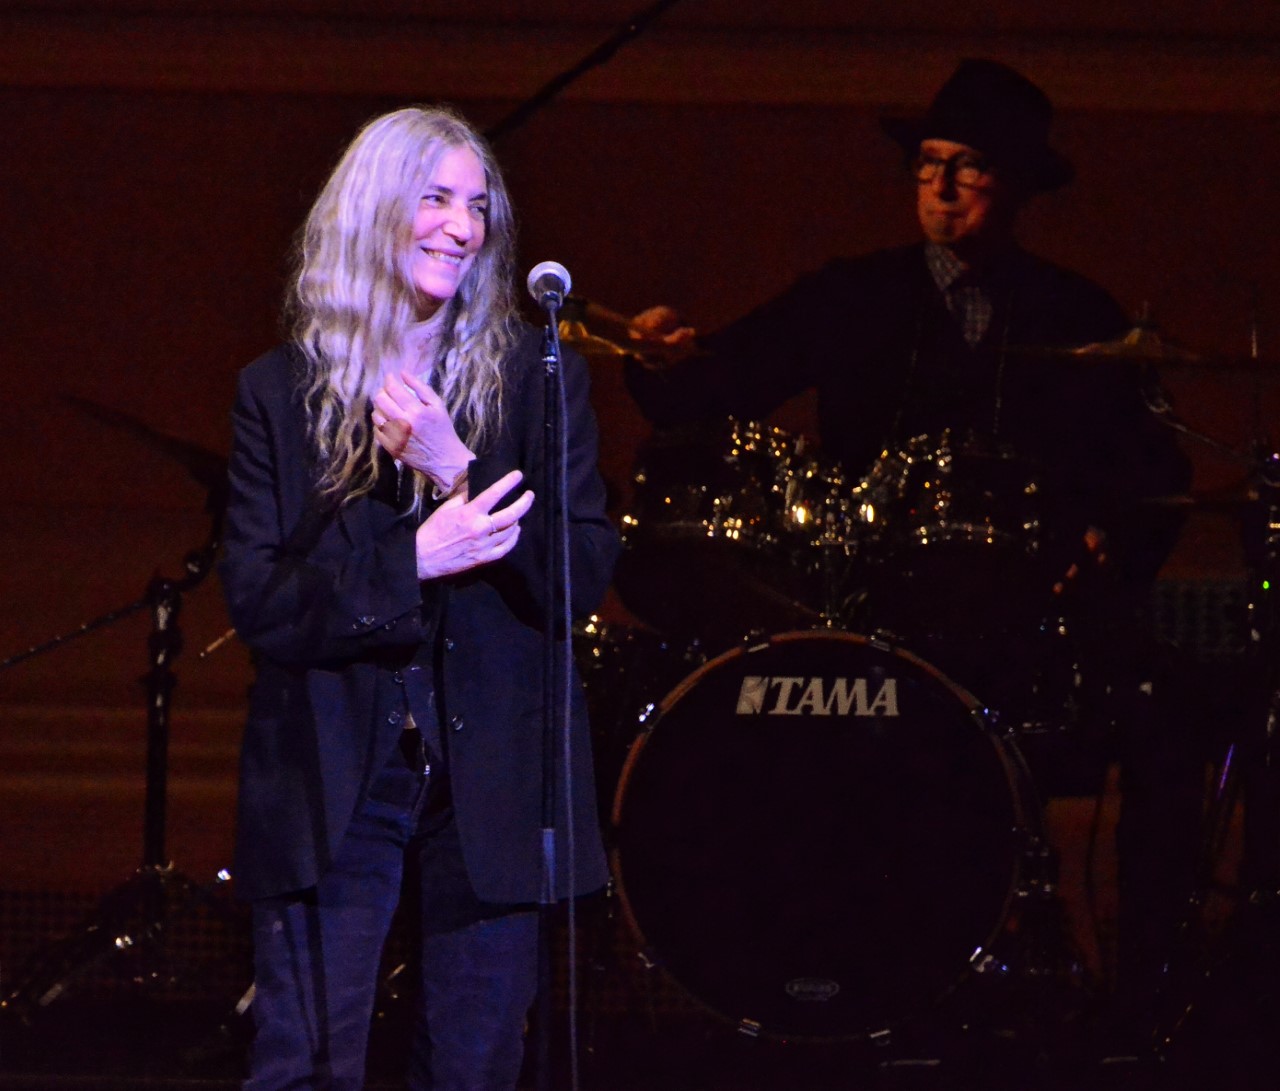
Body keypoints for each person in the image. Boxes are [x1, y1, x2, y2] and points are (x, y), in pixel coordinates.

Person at [623, 59, 1201, 1045]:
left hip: (1027, 625)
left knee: (1170, 710)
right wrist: (653, 353)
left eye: (964, 167)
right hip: (861, 612)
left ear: (1013, 185)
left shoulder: (1078, 316)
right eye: (925, 165)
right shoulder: (851, 296)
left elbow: (1156, 478)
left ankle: (1149, 1005)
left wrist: (1108, 547)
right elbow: (708, 385)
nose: (935, 189)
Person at [219, 105, 619, 1090]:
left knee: (474, 1065)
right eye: (434, 198)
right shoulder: (281, 393)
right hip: (333, 766)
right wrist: (415, 562)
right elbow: (261, 600)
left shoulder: (535, 377)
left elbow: (580, 575)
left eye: (476, 205)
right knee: (304, 1064)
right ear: (372, 210)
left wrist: (454, 468)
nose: (461, 225)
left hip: (491, 775)